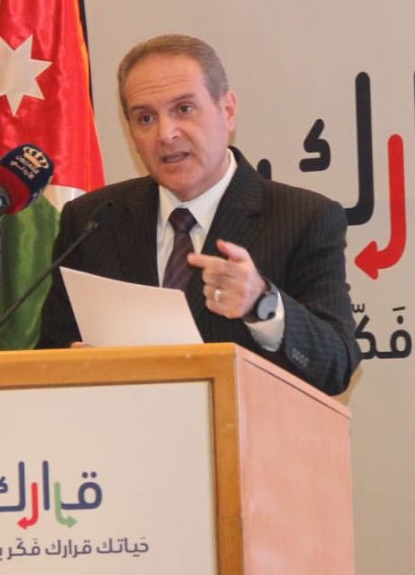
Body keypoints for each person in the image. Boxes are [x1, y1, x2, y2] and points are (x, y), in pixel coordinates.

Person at [37, 34, 360, 395]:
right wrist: (73, 366)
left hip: (245, 430)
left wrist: (262, 303)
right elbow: (49, 352)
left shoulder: (304, 218)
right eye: (145, 118)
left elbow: (337, 365)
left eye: (184, 109)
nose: (166, 134)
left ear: (228, 110)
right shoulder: (92, 220)